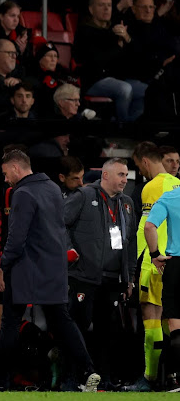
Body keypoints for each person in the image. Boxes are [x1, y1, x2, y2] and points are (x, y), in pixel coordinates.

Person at [0, 149, 100, 392]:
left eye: (5, 174)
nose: (5, 180)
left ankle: (0, 382)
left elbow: (17, 237)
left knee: (10, 323)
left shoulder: (21, 193)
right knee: (62, 321)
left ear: (15, 168)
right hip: (54, 268)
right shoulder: (54, 188)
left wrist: (4, 265)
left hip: (26, 268)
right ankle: (88, 371)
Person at [64, 158, 137, 387]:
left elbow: (131, 242)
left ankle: (104, 381)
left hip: (112, 279)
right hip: (84, 276)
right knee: (78, 328)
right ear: (105, 175)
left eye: (126, 175)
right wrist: (68, 249)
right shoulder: (84, 196)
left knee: (108, 333)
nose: (125, 180)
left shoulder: (126, 204)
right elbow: (58, 222)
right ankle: (71, 380)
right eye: (120, 175)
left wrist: (130, 277)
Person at [125, 141, 180, 391]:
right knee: (174, 320)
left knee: (151, 319)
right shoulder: (178, 185)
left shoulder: (151, 187)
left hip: (155, 261)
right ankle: (171, 375)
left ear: (144, 162)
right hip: (176, 260)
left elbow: (145, 228)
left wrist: (137, 265)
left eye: (138, 166)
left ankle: (149, 378)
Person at [73, 0, 147, 122]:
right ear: (91, 9)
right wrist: (118, 47)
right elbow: (97, 60)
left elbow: (134, 57)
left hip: (117, 78)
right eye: (101, 5)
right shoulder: (85, 31)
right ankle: (121, 128)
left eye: (109, 5)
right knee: (124, 89)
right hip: (93, 80)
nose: (107, 9)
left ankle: (133, 123)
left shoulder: (114, 29)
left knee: (145, 90)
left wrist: (127, 38)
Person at [143, 186, 180, 393]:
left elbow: (149, 227)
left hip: (176, 266)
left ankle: (173, 380)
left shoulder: (170, 196)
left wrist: (155, 253)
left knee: (176, 327)